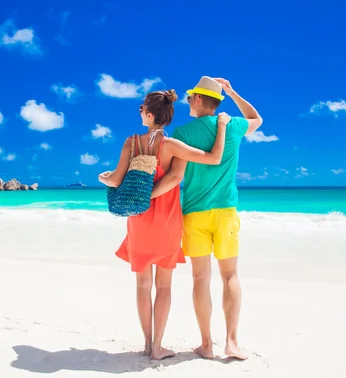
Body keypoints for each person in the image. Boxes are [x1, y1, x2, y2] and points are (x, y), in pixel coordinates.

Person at [98, 89, 231, 360]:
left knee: (143, 285)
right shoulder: (172, 146)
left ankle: (148, 344)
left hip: (139, 220)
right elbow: (213, 158)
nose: (140, 114)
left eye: (141, 110)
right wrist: (222, 125)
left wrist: (104, 179)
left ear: (149, 114)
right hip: (168, 220)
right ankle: (158, 347)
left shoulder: (131, 143)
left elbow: (116, 180)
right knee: (165, 286)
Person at [151, 76, 263, 360]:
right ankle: (232, 342)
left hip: (194, 213)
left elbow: (175, 176)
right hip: (226, 212)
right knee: (231, 276)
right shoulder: (235, 126)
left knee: (201, 278)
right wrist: (232, 91)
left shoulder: (183, 133)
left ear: (199, 99)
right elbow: (256, 118)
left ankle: (206, 344)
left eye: (190, 97)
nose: (188, 101)